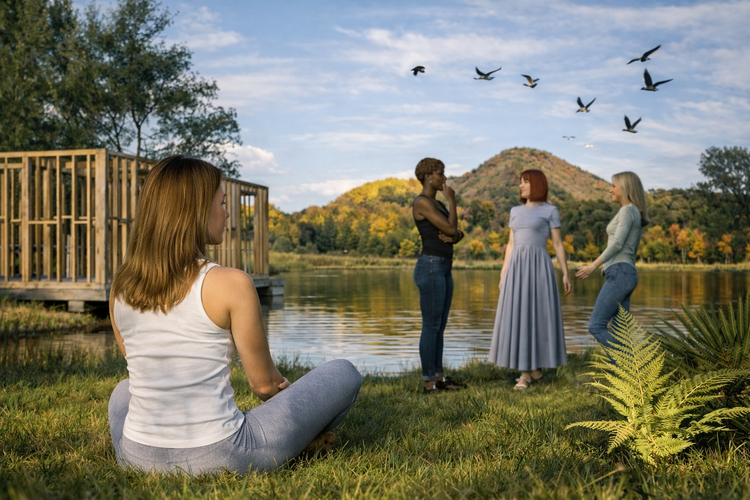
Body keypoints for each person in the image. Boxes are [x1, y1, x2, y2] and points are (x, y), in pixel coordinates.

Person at [107, 155, 362, 475]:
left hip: (136, 456)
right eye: (222, 202)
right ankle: (299, 444)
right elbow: (265, 385)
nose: (227, 213)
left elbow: (137, 366)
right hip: (222, 455)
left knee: (123, 388)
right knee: (345, 372)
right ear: (196, 210)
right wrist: (296, 413)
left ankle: (293, 442)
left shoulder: (121, 284)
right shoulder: (231, 283)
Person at [488, 169, 571, 390]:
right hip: (516, 267)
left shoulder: (550, 210)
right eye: (520, 182)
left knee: (537, 315)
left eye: (525, 182)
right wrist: (503, 271)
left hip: (539, 267)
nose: (521, 186)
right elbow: (511, 244)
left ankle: (528, 373)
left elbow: (558, 244)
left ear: (537, 184)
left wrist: (565, 272)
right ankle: (531, 371)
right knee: (519, 314)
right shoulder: (514, 211)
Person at [575, 171, 649, 349]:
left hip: (621, 274)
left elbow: (617, 244)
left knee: (596, 326)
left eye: (613, 186)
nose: (610, 190)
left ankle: (627, 361)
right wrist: (608, 265)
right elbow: (628, 247)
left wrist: (593, 265)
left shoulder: (627, 210)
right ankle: (628, 374)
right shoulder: (632, 212)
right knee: (620, 331)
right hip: (625, 272)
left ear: (625, 188)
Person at [412, 157, 465, 394]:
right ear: (427, 176)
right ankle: (428, 383)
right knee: (431, 326)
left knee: (439, 326)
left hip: (443, 265)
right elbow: (451, 229)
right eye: (440, 173)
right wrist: (452, 201)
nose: (444, 178)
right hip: (431, 266)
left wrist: (457, 234)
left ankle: (439, 379)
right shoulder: (423, 203)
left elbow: (454, 232)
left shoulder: (436, 205)